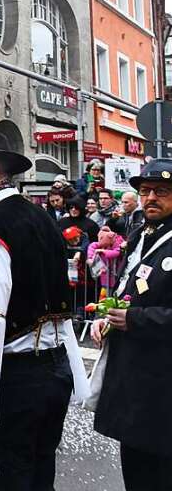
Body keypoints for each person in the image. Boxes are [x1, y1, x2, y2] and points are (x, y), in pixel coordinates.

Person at [0, 129, 88, 491]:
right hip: (53, 373)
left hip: (16, 379)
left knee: (6, 476)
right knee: (40, 474)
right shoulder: (42, 220)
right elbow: (60, 307)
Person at [91, 159, 172, 490]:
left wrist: (136, 320)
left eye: (162, 192)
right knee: (137, 473)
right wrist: (106, 319)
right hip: (133, 384)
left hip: (164, 388)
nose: (151, 197)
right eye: (145, 191)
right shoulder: (139, 234)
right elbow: (127, 290)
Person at [86, 225, 126, 295]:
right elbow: (92, 246)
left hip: (116, 276)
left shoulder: (118, 243)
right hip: (104, 278)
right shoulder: (101, 244)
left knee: (115, 296)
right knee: (103, 297)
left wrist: (104, 251)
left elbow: (117, 252)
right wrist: (90, 257)